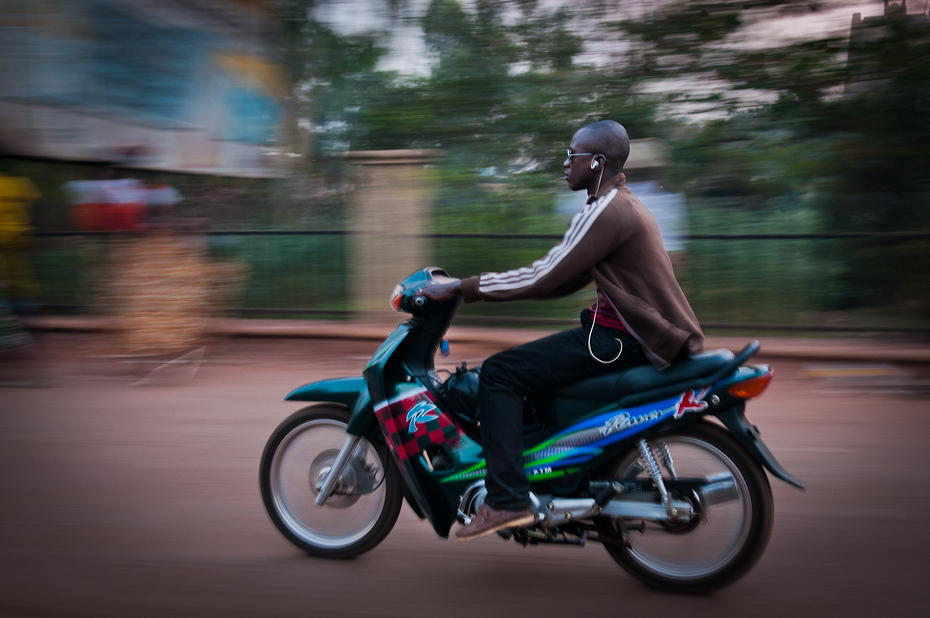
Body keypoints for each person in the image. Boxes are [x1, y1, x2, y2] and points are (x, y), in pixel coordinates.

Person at [420, 120, 704, 541]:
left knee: (500, 373)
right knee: (530, 373)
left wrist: (462, 288)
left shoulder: (609, 209)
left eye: (572, 155)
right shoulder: (614, 204)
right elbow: (567, 277)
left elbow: (546, 274)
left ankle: (507, 500)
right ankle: (539, 473)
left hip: (620, 340)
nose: (565, 163)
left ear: (597, 161)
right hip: (631, 335)